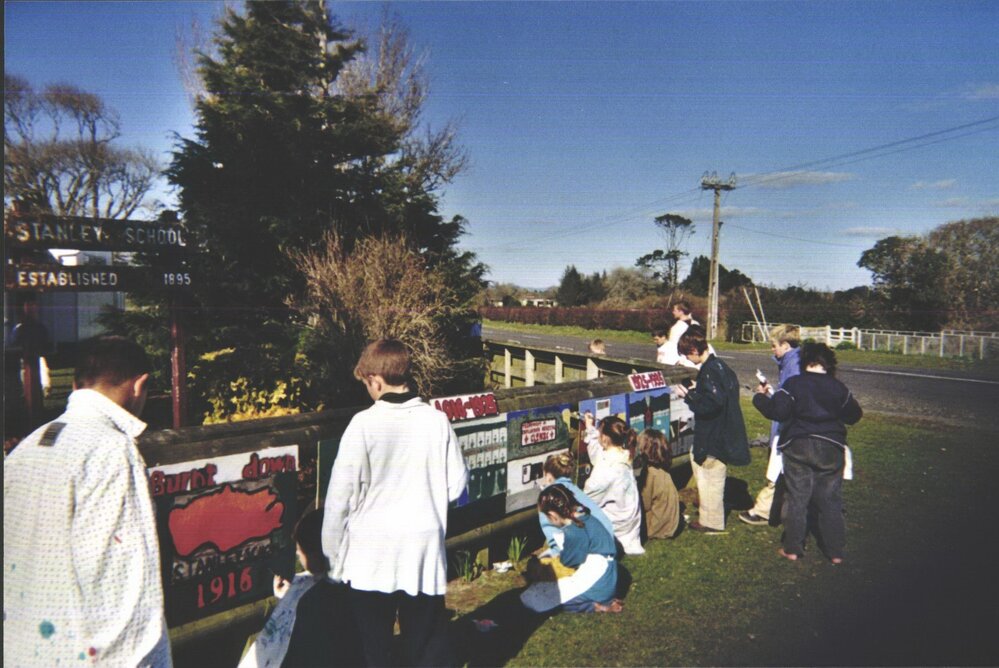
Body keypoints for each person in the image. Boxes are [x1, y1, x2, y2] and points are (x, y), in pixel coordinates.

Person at [3, 336, 172, 667]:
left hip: (24, 647)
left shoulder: (29, 446)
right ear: (140, 385)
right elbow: (125, 581)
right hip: (87, 655)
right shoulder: (111, 449)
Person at [322, 339, 469, 667]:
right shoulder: (437, 421)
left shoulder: (363, 425)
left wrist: (332, 560)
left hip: (372, 552)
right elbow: (457, 483)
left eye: (366, 383)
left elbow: (339, 501)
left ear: (375, 379)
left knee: (374, 646)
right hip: (423, 547)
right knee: (426, 641)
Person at [752, 342, 862, 563]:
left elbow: (778, 412)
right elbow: (854, 415)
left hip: (799, 443)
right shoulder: (838, 387)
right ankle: (835, 551)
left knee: (797, 497)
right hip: (831, 445)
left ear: (804, 362)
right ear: (829, 364)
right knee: (830, 499)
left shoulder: (794, 384)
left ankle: (793, 547)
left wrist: (760, 398)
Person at [240, 507, 363, 668]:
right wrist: (288, 596)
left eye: (299, 550)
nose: (297, 553)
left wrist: (293, 599)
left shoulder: (315, 600)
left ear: (315, 554)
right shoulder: (348, 585)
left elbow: (299, 646)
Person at [673, 325, 751, 532]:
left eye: (688, 355)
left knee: (709, 476)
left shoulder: (709, 372)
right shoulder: (721, 367)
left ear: (695, 350)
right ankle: (711, 518)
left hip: (712, 434)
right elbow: (719, 397)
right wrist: (697, 390)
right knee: (712, 475)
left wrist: (688, 396)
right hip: (725, 430)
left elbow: (711, 404)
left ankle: (712, 522)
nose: (689, 360)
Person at [520, 484, 622, 614]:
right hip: (608, 578)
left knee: (546, 600)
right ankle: (604, 600)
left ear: (553, 515)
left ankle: (597, 606)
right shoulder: (587, 518)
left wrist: (559, 556)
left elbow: (569, 561)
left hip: (599, 583)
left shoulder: (574, 531)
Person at [740, 324, 803, 526]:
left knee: (778, 467)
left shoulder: (793, 365)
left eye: (774, 345)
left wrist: (762, 398)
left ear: (785, 344)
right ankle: (778, 508)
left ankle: (763, 510)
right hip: (790, 424)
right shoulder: (790, 361)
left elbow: (790, 402)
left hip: (790, 427)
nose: (772, 349)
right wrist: (772, 392)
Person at [582, 414, 645, 555]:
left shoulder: (606, 470)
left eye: (599, 433)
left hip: (617, 528)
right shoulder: (624, 454)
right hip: (629, 525)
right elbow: (597, 453)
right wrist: (589, 426)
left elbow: (586, 501)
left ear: (604, 438)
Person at [537, 450, 614, 558]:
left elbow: (556, 539)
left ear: (548, 476)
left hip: (592, 556)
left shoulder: (548, 498)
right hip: (609, 546)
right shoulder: (576, 491)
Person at [636, 429, 681, 540]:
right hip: (670, 524)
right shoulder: (664, 471)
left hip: (656, 526)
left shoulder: (650, 473)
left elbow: (645, 504)